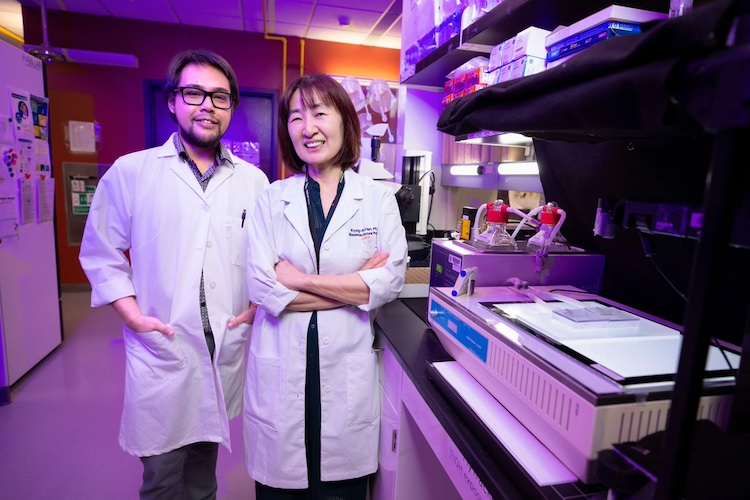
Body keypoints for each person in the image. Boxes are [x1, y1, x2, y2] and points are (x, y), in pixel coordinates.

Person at [79, 49, 269, 499]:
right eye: (194, 93)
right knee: (162, 477)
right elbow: (102, 252)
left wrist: (255, 307)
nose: (207, 105)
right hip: (162, 342)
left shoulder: (253, 181)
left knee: (204, 470)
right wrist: (131, 316)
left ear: (231, 108)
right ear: (172, 102)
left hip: (221, 342)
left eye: (220, 97)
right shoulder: (133, 172)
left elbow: (268, 254)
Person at [243, 74, 408, 499]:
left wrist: (298, 281)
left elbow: (388, 283)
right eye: (296, 116)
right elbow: (262, 288)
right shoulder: (271, 198)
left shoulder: (377, 198)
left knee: (341, 489)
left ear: (344, 121)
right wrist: (353, 289)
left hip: (345, 374)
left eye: (319, 112)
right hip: (282, 368)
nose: (307, 127)